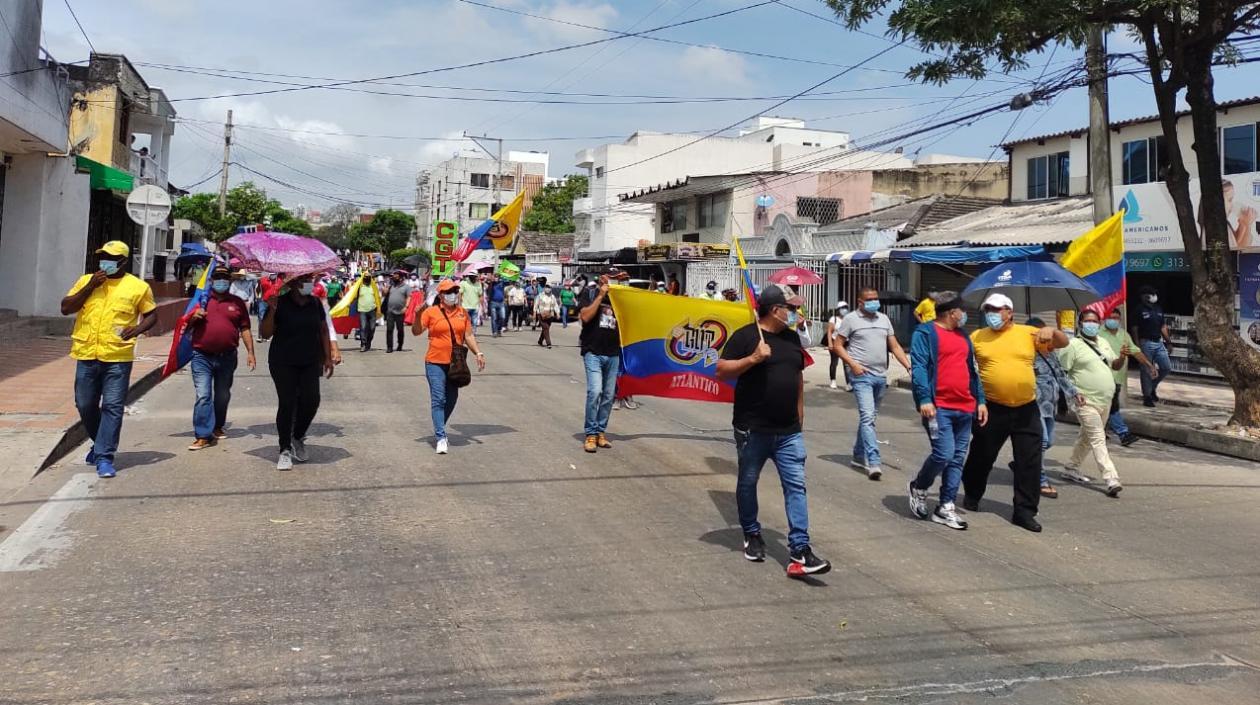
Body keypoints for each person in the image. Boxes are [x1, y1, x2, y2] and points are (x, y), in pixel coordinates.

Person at [716, 284, 831, 578]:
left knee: (796, 486)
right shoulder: (746, 337)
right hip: (753, 430)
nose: (795, 313)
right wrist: (753, 358)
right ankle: (752, 533)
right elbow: (722, 370)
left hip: (789, 430)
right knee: (747, 482)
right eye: (790, 308)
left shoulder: (792, 338)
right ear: (774, 310)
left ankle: (800, 550)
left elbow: (797, 378)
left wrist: (800, 415)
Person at [961, 293, 1069, 533]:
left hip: (1026, 408)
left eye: (997, 309)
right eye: (988, 309)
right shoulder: (977, 337)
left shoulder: (1027, 333)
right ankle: (972, 493)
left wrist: (1052, 331)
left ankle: (1024, 512)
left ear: (1009, 312)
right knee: (981, 456)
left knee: (1029, 462)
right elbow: (964, 365)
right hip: (991, 408)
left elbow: (1062, 343)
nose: (992, 314)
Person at [60, 241, 158, 478]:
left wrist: (135, 330)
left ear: (123, 262)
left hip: (117, 356)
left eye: (112, 258)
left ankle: (105, 456)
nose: (106, 261)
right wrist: (91, 286)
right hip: (86, 354)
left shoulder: (138, 287)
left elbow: (151, 315)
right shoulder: (86, 281)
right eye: (103, 256)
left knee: (113, 406)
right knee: (84, 404)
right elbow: (65, 308)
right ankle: (99, 442)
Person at [908, 292, 986, 530]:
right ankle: (919, 486)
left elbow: (972, 370)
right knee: (944, 454)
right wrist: (924, 398)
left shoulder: (963, 336)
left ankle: (945, 506)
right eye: (962, 310)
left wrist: (980, 400)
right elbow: (919, 366)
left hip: (965, 406)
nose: (964, 314)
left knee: (957, 459)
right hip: (938, 406)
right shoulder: (925, 333)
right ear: (952, 313)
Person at [261, 273, 339, 471]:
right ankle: (284, 449)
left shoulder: (315, 304)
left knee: (312, 400)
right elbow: (265, 333)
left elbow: (322, 330)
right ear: (294, 283)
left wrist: (328, 357)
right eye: (305, 280)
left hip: (310, 360)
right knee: (287, 403)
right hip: (283, 361)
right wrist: (272, 309)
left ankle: (297, 436)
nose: (309, 284)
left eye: (310, 281)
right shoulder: (280, 302)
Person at [833, 288, 911, 480]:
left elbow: (894, 346)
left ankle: (858, 455)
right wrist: (853, 364)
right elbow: (837, 345)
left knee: (870, 418)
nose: (874, 302)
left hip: (880, 375)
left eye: (876, 299)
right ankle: (873, 461)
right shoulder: (851, 319)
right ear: (860, 302)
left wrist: (908, 366)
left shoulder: (883, 319)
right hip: (861, 375)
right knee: (868, 417)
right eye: (869, 299)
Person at [412, 279, 487, 454]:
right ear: (440, 295)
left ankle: (439, 425)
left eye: (454, 291)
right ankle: (441, 437)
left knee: (451, 400)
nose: (452, 294)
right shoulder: (431, 312)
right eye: (448, 292)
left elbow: (468, 335)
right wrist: (417, 315)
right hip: (435, 362)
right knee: (439, 399)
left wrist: (478, 353)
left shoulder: (462, 313)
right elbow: (416, 332)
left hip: (456, 364)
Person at [1058, 310, 1127, 497]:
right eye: (1088, 321)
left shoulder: (1103, 343)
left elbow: (1114, 365)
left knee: (1086, 437)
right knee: (1098, 437)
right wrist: (1070, 395)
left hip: (1105, 400)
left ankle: (1071, 467)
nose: (1092, 324)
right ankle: (1111, 478)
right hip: (1085, 401)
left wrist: (1121, 357)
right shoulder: (1072, 345)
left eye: (1095, 321)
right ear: (1080, 324)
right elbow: (1061, 372)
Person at [187, 268, 257, 450]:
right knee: (203, 395)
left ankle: (217, 425)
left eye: (225, 278)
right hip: (202, 356)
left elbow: (245, 329)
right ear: (211, 280)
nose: (221, 281)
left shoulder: (237, 303)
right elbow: (184, 326)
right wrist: (194, 318)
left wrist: (251, 352)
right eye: (217, 278)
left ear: (230, 281)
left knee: (222, 395)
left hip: (227, 356)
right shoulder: (200, 300)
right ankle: (203, 435)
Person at [1017, 317, 1080, 498]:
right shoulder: (1026, 355)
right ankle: (1040, 480)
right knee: (1042, 441)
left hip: (1049, 407)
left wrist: (1074, 393)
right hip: (1032, 405)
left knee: (1049, 442)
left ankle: (1024, 462)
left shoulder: (1050, 353)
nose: (1043, 339)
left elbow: (1060, 375)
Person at [579, 269, 624, 453]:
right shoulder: (589, 293)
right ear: (602, 279)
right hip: (593, 351)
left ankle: (600, 432)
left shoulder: (621, 299)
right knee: (595, 391)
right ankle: (590, 433)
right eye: (610, 277)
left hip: (613, 353)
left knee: (608, 395)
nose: (613, 281)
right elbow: (585, 317)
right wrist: (601, 295)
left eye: (617, 278)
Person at [1098, 307, 1157, 446]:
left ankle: (1098, 431)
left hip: (1118, 376)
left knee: (1106, 406)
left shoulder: (1124, 335)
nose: (1113, 320)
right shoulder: (1098, 334)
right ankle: (1123, 433)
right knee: (1112, 406)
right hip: (1102, 377)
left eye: (1116, 318)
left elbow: (1136, 351)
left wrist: (1149, 365)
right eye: (1110, 317)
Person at [1133, 286, 1173, 406]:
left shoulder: (1158, 309)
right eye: (1149, 294)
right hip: (1145, 342)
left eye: (1153, 294)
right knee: (1146, 370)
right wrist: (1137, 345)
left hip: (1158, 342)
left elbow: (1163, 326)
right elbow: (1134, 328)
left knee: (1166, 367)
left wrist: (1168, 342)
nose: (1152, 296)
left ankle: (1152, 388)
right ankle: (1147, 397)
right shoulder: (1138, 309)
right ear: (1143, 296)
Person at [384, 270, 412, 353]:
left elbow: (409, 297)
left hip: (400, 311)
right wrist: (384, 290)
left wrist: (406, 307)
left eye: (396, 276)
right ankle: (389, 347)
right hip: (390, 311)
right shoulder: (391, 286)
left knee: (400, 329)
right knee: (389, 329)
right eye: (393, 276)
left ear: (400, 278)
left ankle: (400, 345)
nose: (394, 278)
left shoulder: (406, 287)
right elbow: (384, 295)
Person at [826, 301, 851, 390]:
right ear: (838, 309)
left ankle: (849, 383)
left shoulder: (849, 319)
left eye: (846, 307)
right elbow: (829, 331)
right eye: (843, 308)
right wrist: (830, 343)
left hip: (846, 343)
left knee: (847, 363)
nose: (845, 309)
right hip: (835, 342)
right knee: (834, 362)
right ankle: (833, 380)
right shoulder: (834, 319)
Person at [356, 272, 380, 352]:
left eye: (368, 277)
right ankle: (363, 344)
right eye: (365, 277)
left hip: (372, 310)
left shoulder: (373, 287)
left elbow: (377, 297)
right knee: (363, 327)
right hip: (362, 310)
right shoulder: (359, 287)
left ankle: (368, 342)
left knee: (372, 328)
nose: (367, 278)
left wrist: (379, 308)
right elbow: (352, 296)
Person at [257, 273, 284, 341]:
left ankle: (271, 334)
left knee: (273, 318)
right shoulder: (263, 280)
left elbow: (281, 291)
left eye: (274, 274)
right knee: (261, 317)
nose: (273, 275)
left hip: (274, 302)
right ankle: (260, 335)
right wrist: (258, 296)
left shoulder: (280, 281)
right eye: (272, 274)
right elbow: (258, 289)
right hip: (264, 301)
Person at [534, 283, 560, 349]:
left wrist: (557, 313)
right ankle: (549, 343)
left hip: (550, 315)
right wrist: (534, 313)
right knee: (546, 328)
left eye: (549, 288)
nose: (548, 289)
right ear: (544, 288)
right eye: (546, 287)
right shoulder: (540, 296)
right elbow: (536, 305)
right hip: (541, 314)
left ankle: (540, 341)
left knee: (545, 328)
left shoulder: (552, 296)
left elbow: (555, 305)